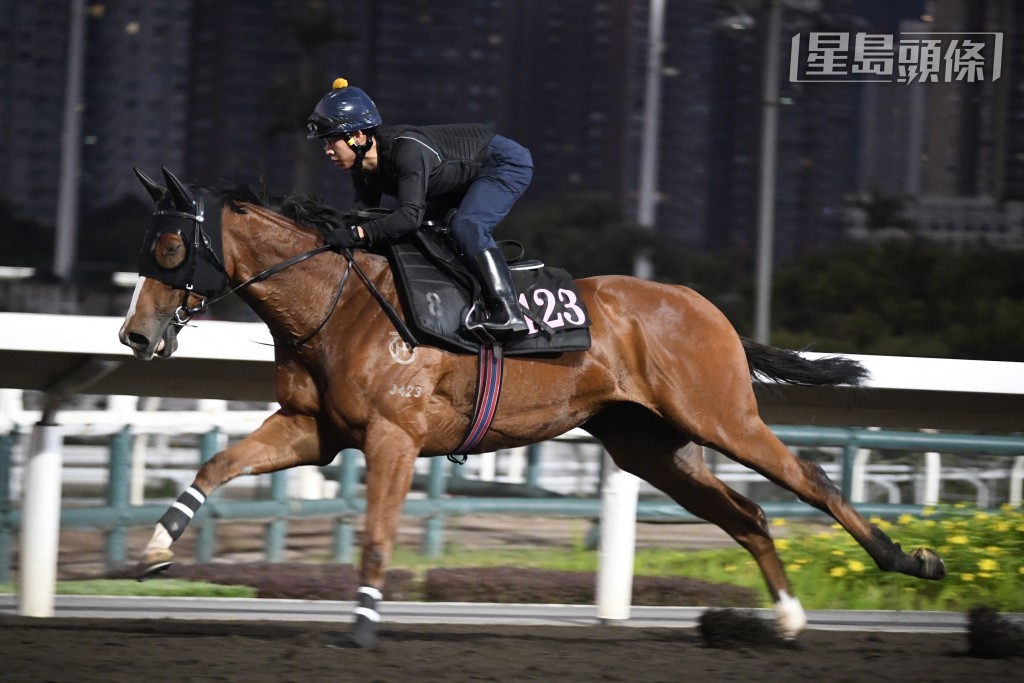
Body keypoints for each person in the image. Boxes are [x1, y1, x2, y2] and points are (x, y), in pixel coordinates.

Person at [306, 77, 532, 339]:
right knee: (428, 235)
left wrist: (356, 234)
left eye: (331, 141)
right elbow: (364, 217)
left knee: (468, 225)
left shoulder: (407, 151)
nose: (327, 150)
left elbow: (408, 217)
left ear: (357, 136)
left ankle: (509, 312)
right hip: (458, 179)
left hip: (503, 163)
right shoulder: (363, 170)